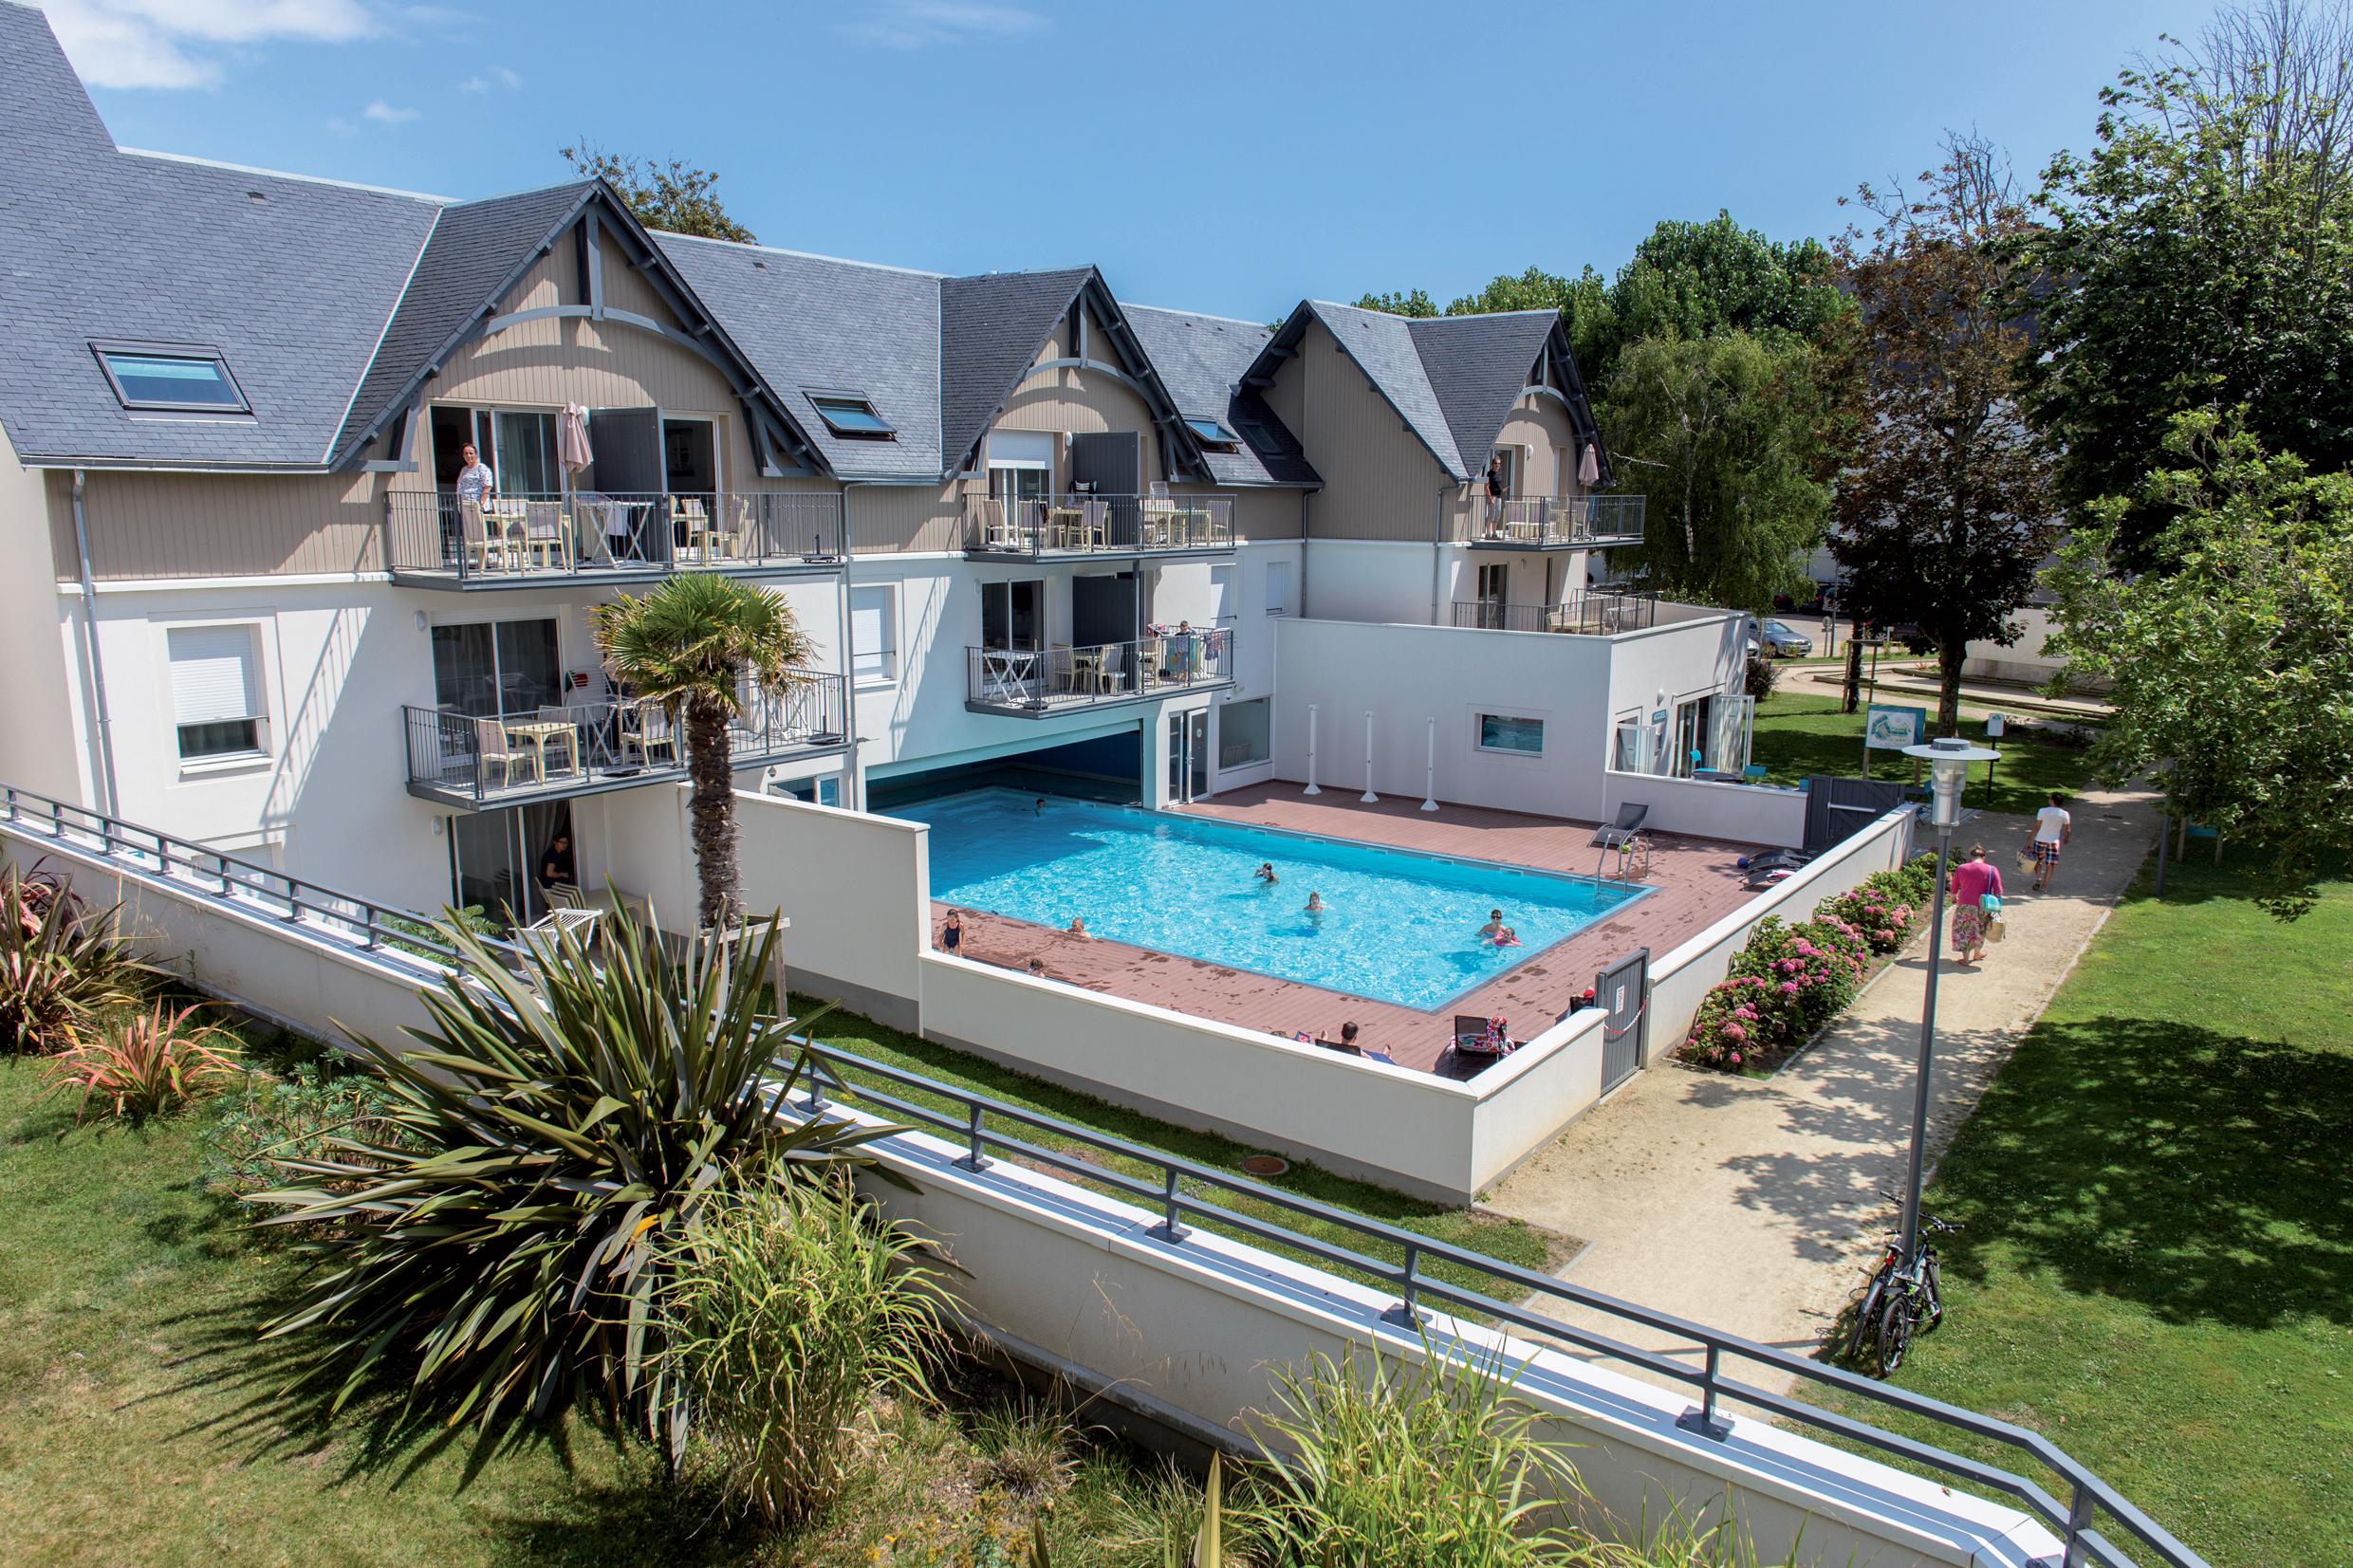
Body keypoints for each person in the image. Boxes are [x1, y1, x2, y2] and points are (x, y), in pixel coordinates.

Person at [1947, 843, 2003, 965]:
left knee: (1964, 930)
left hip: (1964, 903)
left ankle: (1965, 958)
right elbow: (1998, 891)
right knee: (1980, 929)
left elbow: (1954, 887)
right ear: (1984, 857)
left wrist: (1953, 897)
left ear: (1971, 856)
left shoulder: (1962, 868)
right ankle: (1977, 953)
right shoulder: (1992, 869)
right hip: (1983, 905)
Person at [2031, 791, 2073, 893]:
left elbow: (2037, 827)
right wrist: (2066, 837)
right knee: (2050, 864)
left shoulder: (2042, 811)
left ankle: (2038, 878)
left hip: (2040, 839)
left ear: (2052, 800)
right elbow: (2067, 829)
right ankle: (2044, 887)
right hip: (2053, 842)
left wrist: (2029, 839)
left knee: (2037, 860)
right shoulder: (2064, 814)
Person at [454, 443, 496, 510]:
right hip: (465, 506)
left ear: (476, 455)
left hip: (478, 507)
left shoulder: (482, 468)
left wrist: (480, 505)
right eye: (466, 453)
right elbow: (460, 486)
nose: (468, 455)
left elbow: (487, 487)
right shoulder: (464, 470)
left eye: (471, 453)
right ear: (463, 455)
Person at [1483, 453, 1508, 536]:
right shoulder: (1489, 474)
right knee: (1491, 515)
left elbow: (1498, 486)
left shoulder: (1499, 474)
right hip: (1492, 497)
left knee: (1497, 516)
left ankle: (1494, 533)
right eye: (1496, 463)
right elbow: (1486, 487)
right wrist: (1490, 498)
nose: (1497, 465)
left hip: (1498, 497)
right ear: (1492, 464)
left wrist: (1503, 489)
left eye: (1499, 463)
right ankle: (1488, 534)